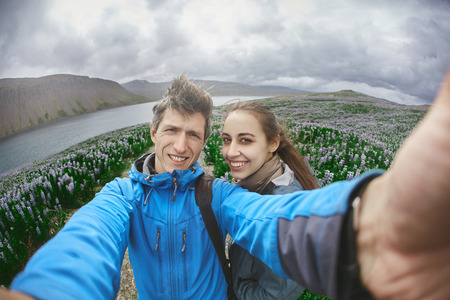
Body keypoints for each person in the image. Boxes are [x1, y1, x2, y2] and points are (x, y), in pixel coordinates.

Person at [1, 70, 450, 300]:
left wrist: (363, 230)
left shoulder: (215, 192)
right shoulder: (122, 195)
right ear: (152, 132)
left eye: (194, 134)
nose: (181, 145)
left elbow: (266, 217)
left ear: (202, 141)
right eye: (172, 131)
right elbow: (88, 240)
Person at [222, 101, 319, 299]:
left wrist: (233, 288)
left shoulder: (281, 214)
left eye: (245, 140)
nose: (231, 152)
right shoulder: (273, 179)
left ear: (273, 143)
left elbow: (275, 295)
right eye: (226, 139)